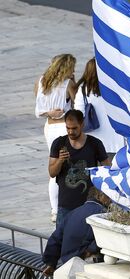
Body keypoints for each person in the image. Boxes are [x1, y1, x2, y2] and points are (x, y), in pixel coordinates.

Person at [48, 109, 110, 230]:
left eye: (74, 128)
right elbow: (52, 172)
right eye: (68, 128)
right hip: (65, 204)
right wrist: (60, 160)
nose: (71, 131)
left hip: (88, 204)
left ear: (82, 124)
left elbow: (107, 169)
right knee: (61, 238)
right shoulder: (59, 143)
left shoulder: (94, 144)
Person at [34, 54, 78, 222]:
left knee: (55, 165)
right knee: (69, 164)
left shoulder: (42, 81)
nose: (74, 70)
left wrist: (50, 112)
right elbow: (78, 105)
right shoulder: (68, 84)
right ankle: (68, 204)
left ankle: (54, 209)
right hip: (65, 127)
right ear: (66, 68)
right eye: (72, 67)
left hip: (50, 126)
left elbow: (39, 109)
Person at [42, 186, 112, 277]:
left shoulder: (73, 213)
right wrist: (90, 249)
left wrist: (50, 263)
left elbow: (56, 238)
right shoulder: (103, 214)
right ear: (100, 196)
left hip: (67, 264)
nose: (111, 200)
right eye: (109, 196)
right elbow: (105, 237)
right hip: (88, 262)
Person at [74, 58, 125, 157]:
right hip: (116, 139)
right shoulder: (114, 86)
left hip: (93, 139)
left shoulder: (84, 90)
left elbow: (78, 113)